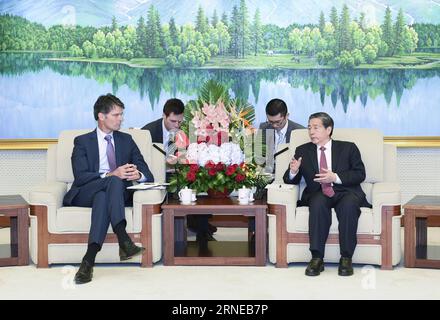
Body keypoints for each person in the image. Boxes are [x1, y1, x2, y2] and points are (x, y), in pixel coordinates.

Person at [63, 94, 154, 284]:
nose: (121, 119)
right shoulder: (82, 141)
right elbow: (80, 176)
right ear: (101, 116)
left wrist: (137, 175)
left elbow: (147, 173)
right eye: (116, 115)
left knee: (104, 196)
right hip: (85, 192)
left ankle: (88, 261)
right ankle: (123, 238)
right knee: (112, 180)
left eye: (122, 114)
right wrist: (111, 174)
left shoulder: (127, 140)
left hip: (113, 194)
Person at [283, 112, 371, 277]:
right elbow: (289, 181)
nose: (311, 131)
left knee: (349, 206)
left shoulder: (348, 147)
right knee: (316, 205)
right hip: (319, 192)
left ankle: (346, 257)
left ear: (328, 129)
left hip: (345, 191)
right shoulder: (302, 150)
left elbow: (360, 174)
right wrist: (293, 172)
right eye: (309, 127)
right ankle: (317, 257)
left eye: (316, 127)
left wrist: (335, 177)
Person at [141, 98, 216, 241]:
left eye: (179, 122)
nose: (177, 125)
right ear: (164, 116)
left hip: (178, 172)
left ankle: (202, 230)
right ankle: (189, 227)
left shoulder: (185, 130)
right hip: (156, 175)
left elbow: (190, 155)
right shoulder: (148, 131)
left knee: (198, 181)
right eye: (173, 121)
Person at [259, 98, 305, 173]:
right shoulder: (264, 128)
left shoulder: (299, 131)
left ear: (287, 116)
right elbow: (260, 156)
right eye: (270, 121)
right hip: (267, 174)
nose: (274, 125)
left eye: (278, 122)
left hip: (290, 175)